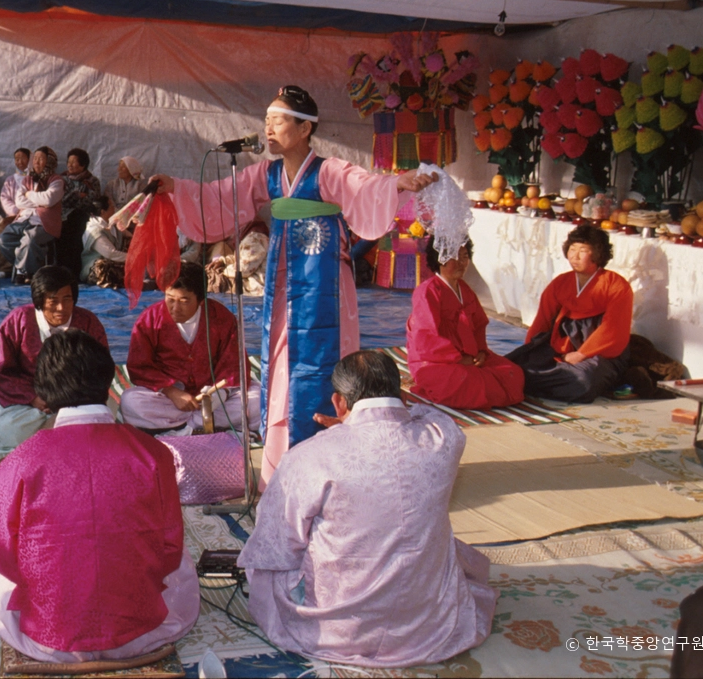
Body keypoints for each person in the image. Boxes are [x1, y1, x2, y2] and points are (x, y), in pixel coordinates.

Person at [153, 85, 438, 486]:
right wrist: (178, 188)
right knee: (280, 363)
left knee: (325, 363)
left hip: (325, 288)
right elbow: (218, 196)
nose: (268, 130)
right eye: (266, 122)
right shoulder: (266, 174)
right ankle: (281, 460)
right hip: (283, 285)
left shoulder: (329, 170)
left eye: (278, 121)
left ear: (305, 129)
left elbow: (365, 185)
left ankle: (327, 462)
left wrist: (398, 182)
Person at [238, 350, 497, 667]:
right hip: (427, 619)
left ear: (338, 403)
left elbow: (278, 544)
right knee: (444, 547)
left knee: (265, 566)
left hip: (339, 628)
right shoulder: (444, 438)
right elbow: (431, 414)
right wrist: (364, 420)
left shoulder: (308, 456)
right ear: (400, 394)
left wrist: (344, 429)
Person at [0, 330, 199, 663]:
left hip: (52, 640)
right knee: (184, 560)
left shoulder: (18, 462)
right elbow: (169, 550)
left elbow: (4, 555)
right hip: (142, 631)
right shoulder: (154, 454)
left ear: (44, 393)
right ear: (108, 383)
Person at [120, 262, 259, 434]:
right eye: (170, 299)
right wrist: (171, 391)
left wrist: (220, 394)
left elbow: (234, 363)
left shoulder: (222, 318)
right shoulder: (149, 320)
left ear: (201, 300)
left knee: (258, 399)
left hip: (213, 398)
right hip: (169, 400)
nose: (175, 308)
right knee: (130, 401)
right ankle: (203, 423)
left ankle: (185, 426)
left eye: (184, 301)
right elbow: (140, 366)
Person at [0, 265, 109, 456]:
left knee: (121, 409)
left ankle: (55, 434)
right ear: (39, 300)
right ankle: (67, 435)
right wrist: (33, 398)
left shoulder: (88, 322)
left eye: (67, 299)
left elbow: (102, 369)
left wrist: (71, 400)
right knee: (9, 426)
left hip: (79, 403)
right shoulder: (17, 321)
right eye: (53, 301)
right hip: (32, 407)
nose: (61, 308)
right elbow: (1, 373)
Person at [507, 224, 633, 404]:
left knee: (583, 381)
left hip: (598, 354)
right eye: (572, 249)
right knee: (516, 366)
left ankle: (537, 383)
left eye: (583, 250)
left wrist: (581, 355)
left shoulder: (616, 285)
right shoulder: (561, 283)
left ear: (598, 253)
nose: (575, 256)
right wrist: (529, 350)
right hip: (560, 351)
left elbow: (613, 330)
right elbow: (542, 320)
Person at [406, 238, 525, 409]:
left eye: (464, 257)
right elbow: (426, 336)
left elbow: (478, 325)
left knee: (513, 373)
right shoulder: (427, 291)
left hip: (470, 357)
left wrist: (481, 352)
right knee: (468, 382)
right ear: (440, 259)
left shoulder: (465, 289)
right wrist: (458, 358)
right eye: (454, 258)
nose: (461, 263)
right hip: (436, 361)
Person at [0, 146, 64, 283]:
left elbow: (49, 199)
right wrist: (39, 201)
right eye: (35, 159)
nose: (36, 162)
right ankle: (27, 265)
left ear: (49, 161)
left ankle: (24, 273)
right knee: (4, 239)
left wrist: (29, 194)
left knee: (30, 239)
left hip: (44, 222)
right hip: (24, 218)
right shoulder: (27, 179)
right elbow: (19, 202)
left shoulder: (57, 180)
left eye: (41, 159)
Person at [58, 148, 101, 278]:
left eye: (73, 162)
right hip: (63, 215)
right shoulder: (62, 179)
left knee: (78, 227)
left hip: (84, 215)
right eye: (68, 161)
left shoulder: (93, 181)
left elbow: (92, 200)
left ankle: (75, 271)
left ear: (83, 165)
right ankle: (62, 270)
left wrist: (75, 198)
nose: (69, 165)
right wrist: (79, 195)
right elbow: (62, 200)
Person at [0, 147, 32, 278]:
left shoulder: (33, 177)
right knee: (2, 231)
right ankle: (5, 267)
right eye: (17, 159)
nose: (20, 161)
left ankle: (25, 267)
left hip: (31, 215)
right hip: (12, 216)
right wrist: (15, 212)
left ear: (29, 159)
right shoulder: (10, 180)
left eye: (23, 158)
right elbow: (4, 198)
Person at [80, 195, 128, 287]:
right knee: (104, 267)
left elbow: (128, 235)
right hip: (97, 269)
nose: (113, 207)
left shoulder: (112, 224)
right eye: (111, 205)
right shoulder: (94, 230)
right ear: (103, 212)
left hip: (116, 262)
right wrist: (133, 258)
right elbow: (111, 254)